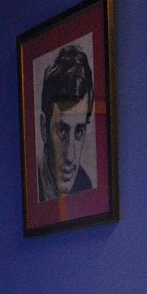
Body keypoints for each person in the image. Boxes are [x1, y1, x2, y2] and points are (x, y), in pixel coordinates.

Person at [36, 43, 95, 201]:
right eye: (62, 131)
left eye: (79, 132)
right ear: (44, 128)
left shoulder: (85, 184)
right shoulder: (33, 183)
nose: (70, 156)